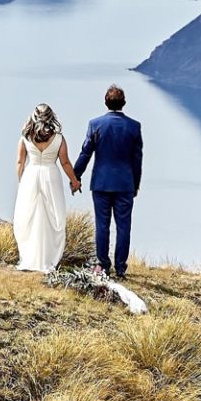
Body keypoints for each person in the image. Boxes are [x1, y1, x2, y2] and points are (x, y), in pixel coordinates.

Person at [72, 84, 143, 278]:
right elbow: (137, 160)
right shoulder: (134, 127)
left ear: (105, 102)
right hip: (125, 184)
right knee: (124, 225)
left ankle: (103, 265)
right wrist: (135, 184)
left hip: (101, 184)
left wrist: (75, 175)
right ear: (124, 103)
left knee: (102, 225)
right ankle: (121, 267)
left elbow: (85, 153)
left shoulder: (95, 125)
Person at [11, 102, 78, 272]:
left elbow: (20, 162)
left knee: (30, 216)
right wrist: (75, 180)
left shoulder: (25, 137)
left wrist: (22, 181)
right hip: (51, 176)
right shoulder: (59, 139)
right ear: (50, 117)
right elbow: (65, 162)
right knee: (52, 216)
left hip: (31, 176)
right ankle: (48, 258)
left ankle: (29, 256)